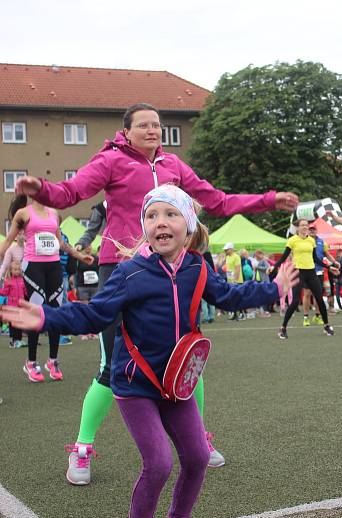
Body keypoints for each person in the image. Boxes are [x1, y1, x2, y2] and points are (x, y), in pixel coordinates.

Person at [13, 102, 299, 484]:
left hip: (174, 267)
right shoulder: (111, 160)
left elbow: (217, 201)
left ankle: (197, 438)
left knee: (187, 354)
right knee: (110, 366)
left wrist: (267, 200)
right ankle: (82, 449)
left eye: (158, 125)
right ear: (126, 131)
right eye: (144, 125)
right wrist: (42, 190)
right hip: (123, 268)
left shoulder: (173, 166)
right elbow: (72, 191)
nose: (153, 130)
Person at [0, 184, 297, 518]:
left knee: (198, 457)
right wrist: (48, 317)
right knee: (158, 463)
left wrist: (273, 289)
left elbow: (230, 296)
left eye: (170, 214)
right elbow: (94, 315)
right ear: (145, 229)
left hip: (175, 385)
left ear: (187, 226)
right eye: (152, 215)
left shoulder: (198, 268)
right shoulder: (130, 274)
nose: (161, 222)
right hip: (135, 386)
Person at [0, 195, 93, 382]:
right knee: (38, 311)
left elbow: (60, 243)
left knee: (55, 312)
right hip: (32, 266)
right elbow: (9, 240)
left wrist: (79, 255)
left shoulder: (53, 213)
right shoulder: (24, 213)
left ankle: (52, 360)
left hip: (54, 266)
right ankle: (31, 362)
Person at [272, 218, 337, 339]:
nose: (305, 227)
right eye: (302, 225)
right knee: (296, 301)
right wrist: (274, 267)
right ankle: (283, 328)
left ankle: (327, 325)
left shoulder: (311, 241)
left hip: (311, 272)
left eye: (306, 225)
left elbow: (316, 259)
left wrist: (329, 267)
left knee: (319, 299)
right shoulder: (292, 240)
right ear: (297, 228)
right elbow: (283, 257)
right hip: (298, 272)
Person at [0, 261, 26, 348]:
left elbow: (26, 292)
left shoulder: (22, 280)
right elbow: (4, 292)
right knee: (13, 324)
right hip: (12, 307)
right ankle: (14, 340)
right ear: (11, 270)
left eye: (18, 269)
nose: (17, 271)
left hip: (20, 306)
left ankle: (19, 340)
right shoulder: (8, 281)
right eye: (15, 269)